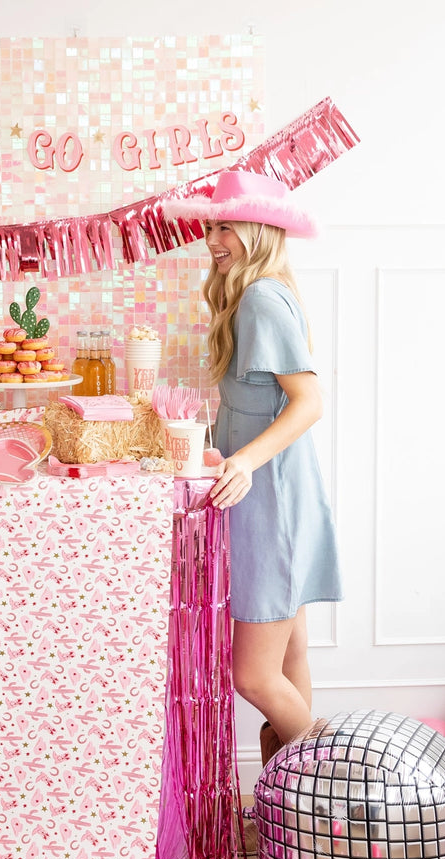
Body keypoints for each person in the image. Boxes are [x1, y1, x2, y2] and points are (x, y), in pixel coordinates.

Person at [164, 170, 342, 765]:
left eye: (226, 226)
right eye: (211, 225)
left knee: (254, 675)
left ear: (260, 229)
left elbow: (309, 400)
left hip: (273, 501)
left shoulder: (261, 298)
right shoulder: (252, 293)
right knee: (289, 660)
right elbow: (253, 405)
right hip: (275, 493)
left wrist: (239, 459)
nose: (213, 238)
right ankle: (296, 804)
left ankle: (335, 786)